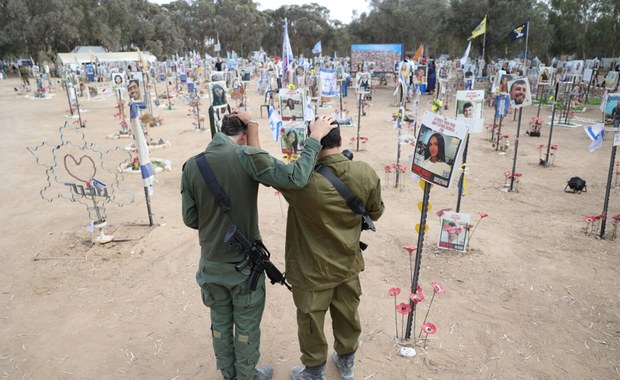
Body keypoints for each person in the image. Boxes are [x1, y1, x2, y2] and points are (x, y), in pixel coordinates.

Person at [181, 111, 337, 380]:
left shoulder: (192, 165)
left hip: (210, 264)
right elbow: (296, 178)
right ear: (243, 137)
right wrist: (314, 139)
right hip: (244, 269)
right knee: (246, 326)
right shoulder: (246, 157)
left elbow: (191, 218)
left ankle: (229, 375)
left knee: (219, 323)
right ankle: (246, 376)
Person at [278, 124, 385, 380]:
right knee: (348, 315)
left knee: (311, 322)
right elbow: (376, 213)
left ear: (311, 142)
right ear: (340, 140)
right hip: (347, 263)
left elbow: (273, 172)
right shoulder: (365, 172)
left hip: (311, 269)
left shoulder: (300, 182)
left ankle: (314, 372)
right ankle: (346, 363)